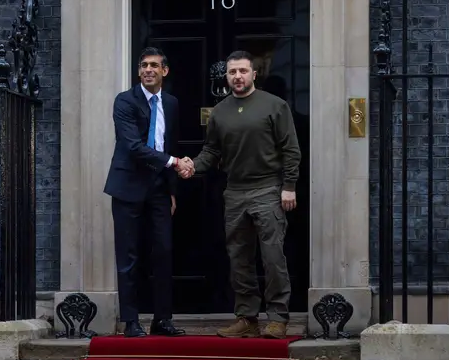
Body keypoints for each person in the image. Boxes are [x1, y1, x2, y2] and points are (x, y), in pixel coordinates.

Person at [178, 50, 301, 340]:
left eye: (243, 71)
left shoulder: (275, 105)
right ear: (227, 75)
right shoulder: (219, 112)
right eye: (232, 72)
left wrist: (289, 186)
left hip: (268, 189)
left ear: (254, 74)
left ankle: (277, 318)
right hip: (234, 192)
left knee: (272, 257)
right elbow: (212, 151)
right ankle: (247, 317)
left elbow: (290, 149)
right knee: (239, 259)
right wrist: (193, 165)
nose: (238, 77)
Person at [104, 47, 192, 338]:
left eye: (154, 65)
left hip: (158, 190)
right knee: (129, 256)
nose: (148, 70)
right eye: (143, 65)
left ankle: (162, 320)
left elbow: (171, 143)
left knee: (163, 253)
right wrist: (174, 163)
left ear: (164, 71)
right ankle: (131, 321)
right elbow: (132, 146)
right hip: (128, 187)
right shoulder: (125, 101)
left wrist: (172, 190)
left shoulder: (172, 103)